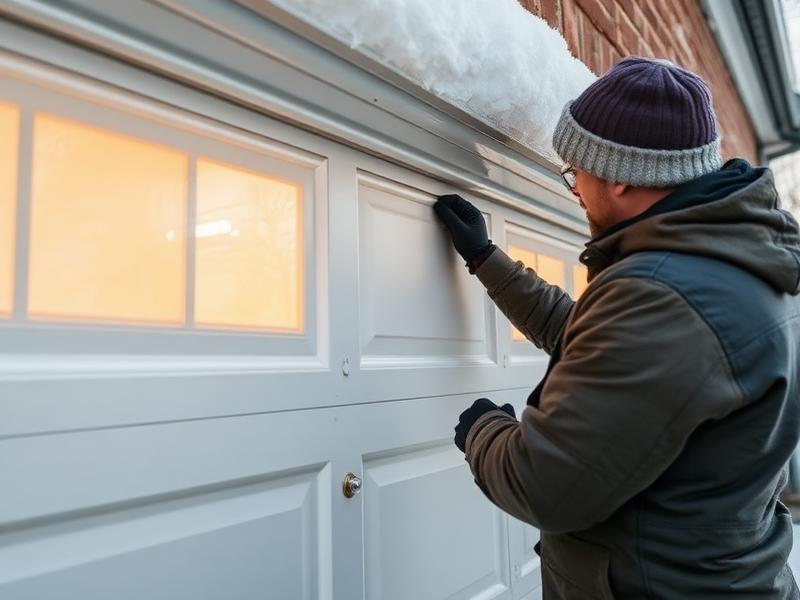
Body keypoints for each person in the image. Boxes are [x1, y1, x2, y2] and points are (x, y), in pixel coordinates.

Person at [434, 57, 800, 599]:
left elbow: (546, 485)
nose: (574, 189)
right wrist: (488, 260)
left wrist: (482, 431)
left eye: (575, 172)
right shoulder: (731, 265)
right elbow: (605, 347)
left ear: (622, 175)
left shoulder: (667, 295)